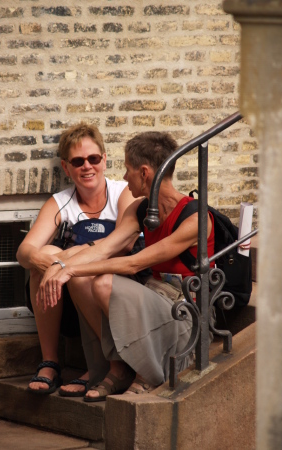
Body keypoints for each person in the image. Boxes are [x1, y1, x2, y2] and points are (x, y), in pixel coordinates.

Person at [37, 131, 215, 401]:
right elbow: (105, 247)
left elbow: (134, 263)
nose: (124, 177)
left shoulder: (196, 217)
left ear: (144, 173)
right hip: (154, 294)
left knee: (104, 280)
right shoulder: (141, 210)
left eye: (128, 170)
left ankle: (146, 375)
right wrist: (61, 264)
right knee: (87, 279)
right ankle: (116, 369)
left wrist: (69, 268)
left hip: (186, 308)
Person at [16, 122, 135, 395]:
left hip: (112, 288)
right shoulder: (61, 202)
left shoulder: (122, 193)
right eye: (78, 161)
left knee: (76, 272)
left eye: (93, 158)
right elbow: (24, 251)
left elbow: (125, 243)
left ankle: (105, 364)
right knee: (42, 257)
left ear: (105, 160)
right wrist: (47, 262)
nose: (87, 166)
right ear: (66, 167)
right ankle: (50, 362)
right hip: (66, 302)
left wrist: (68, 262)